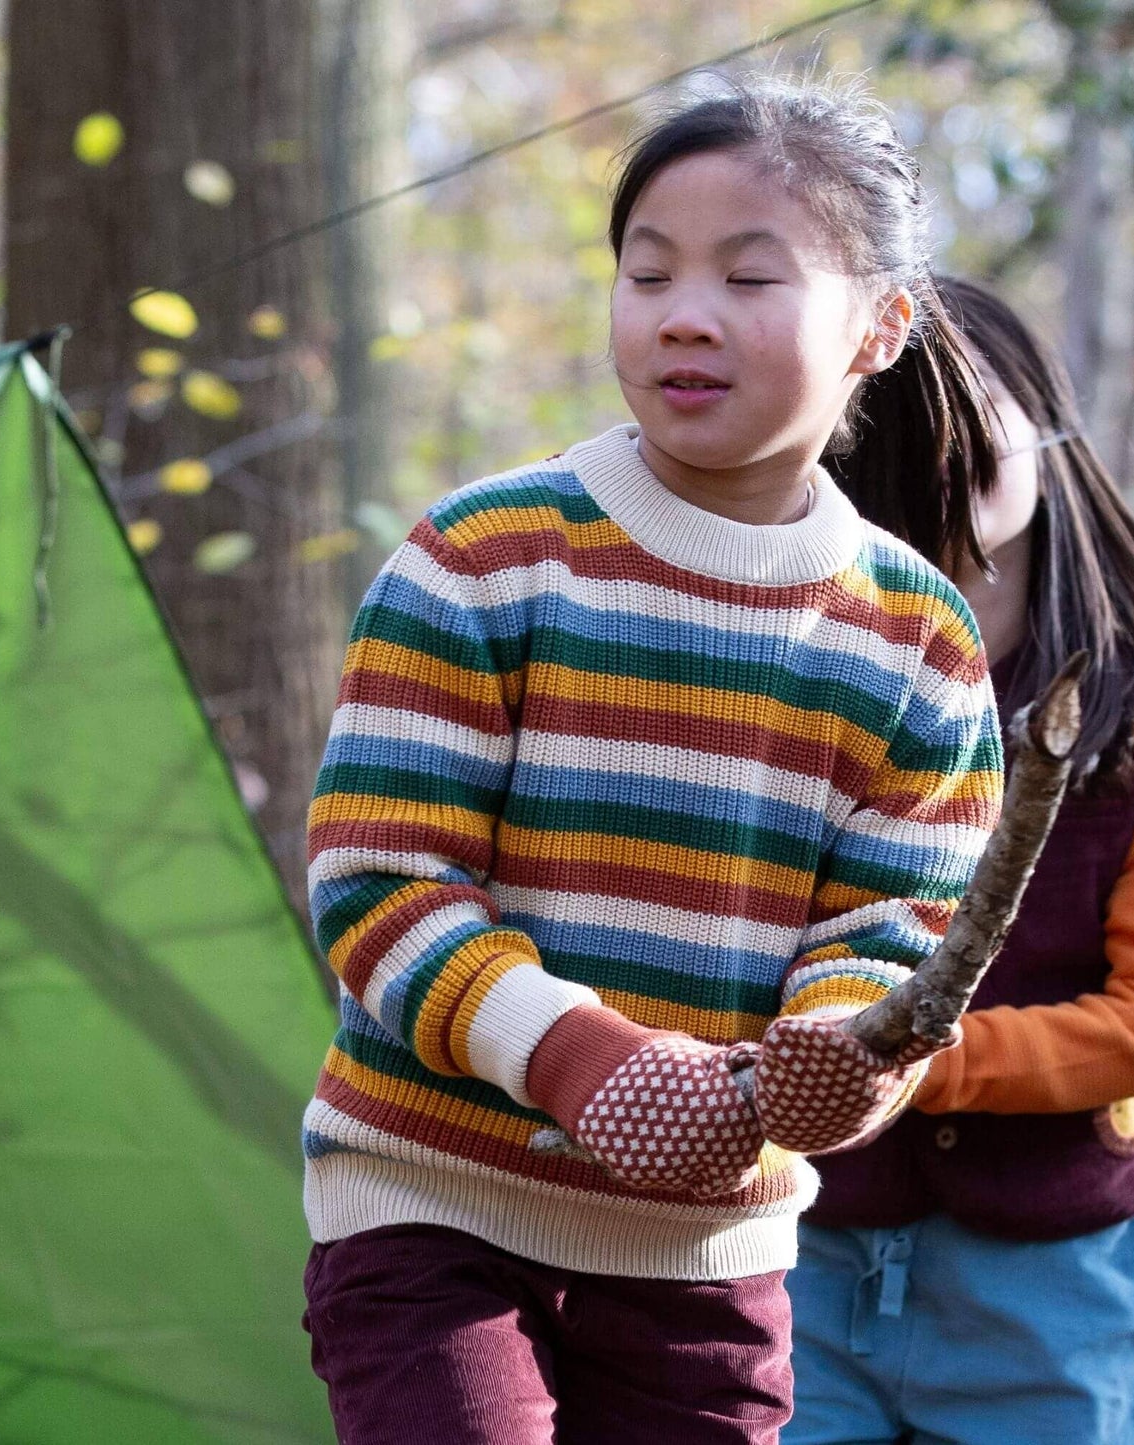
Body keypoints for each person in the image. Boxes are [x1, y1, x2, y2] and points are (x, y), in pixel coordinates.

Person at [297, 75, 1007, 1445]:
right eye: (647, 271)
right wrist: (569, 1053)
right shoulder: (483, 558)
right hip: (428, 1201)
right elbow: (378, 887)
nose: (683, 312)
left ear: (881, 326)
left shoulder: (917, 635)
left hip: (705, 1264)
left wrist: (849, 1048)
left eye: (751, 277)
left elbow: (904, 928)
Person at [785, 276, 1134, 1445]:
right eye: (899, 409)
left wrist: (917, 1060)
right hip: (802, 1259)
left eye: (971, 407)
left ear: (1040, 422)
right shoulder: (800, 696)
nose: (943, 440)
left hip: (1055, 1285)